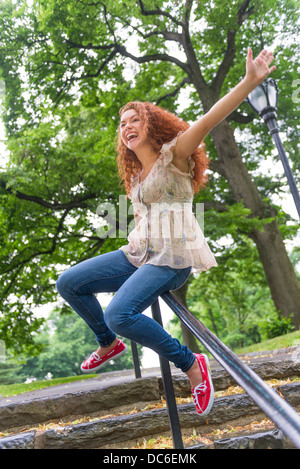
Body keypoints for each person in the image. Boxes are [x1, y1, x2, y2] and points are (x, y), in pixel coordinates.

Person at [56, 48, 275, 416]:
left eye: (134, 119)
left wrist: (249, 82)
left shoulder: (175, 155)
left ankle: (190, 364)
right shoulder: (136, 179)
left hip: (172, 257)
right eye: (122, 123)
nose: (127, 126)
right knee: (69, 283)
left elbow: (206, 121)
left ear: (150, 124)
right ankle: (107, 344)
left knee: (119, 313)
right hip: (139, 254)